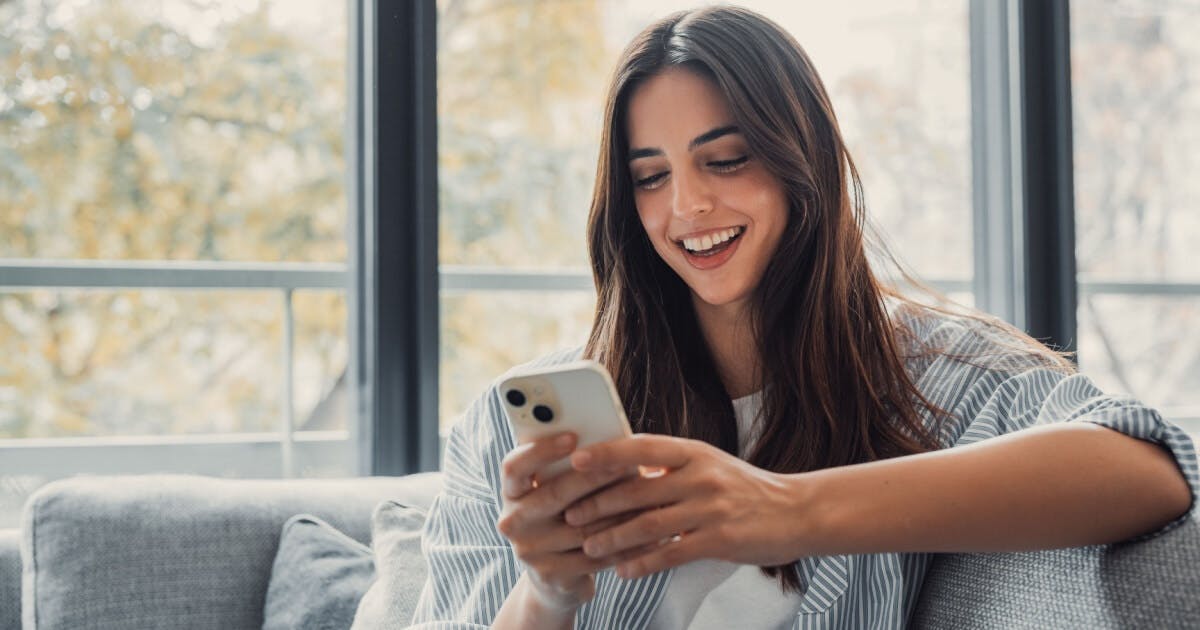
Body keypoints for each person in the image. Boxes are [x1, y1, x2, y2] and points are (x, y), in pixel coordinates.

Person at [408, 6, 1197, 629]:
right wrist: (547, 593)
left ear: (802, 160)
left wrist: (789, 511)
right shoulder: (507, 427)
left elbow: (1151, 473)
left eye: (726, 160)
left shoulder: (933, 381)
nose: (687, 207)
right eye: (650, 178)